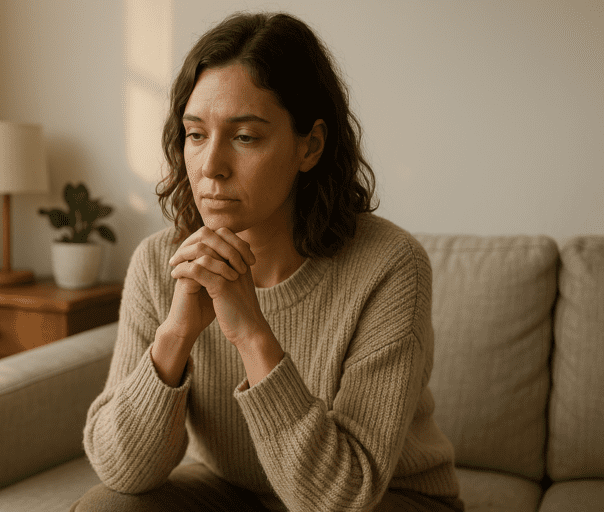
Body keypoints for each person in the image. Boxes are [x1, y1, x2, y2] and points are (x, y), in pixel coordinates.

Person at [71, 11, 463, 512]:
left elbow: (341, 497)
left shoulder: (390, 267)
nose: (211, 166)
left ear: (310, 146)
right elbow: (122, 471)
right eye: (195, 135)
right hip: (233, 491)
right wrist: (176, 334)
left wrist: (252, 333)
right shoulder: (159, 262)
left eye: (245, 137)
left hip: (383, 498)